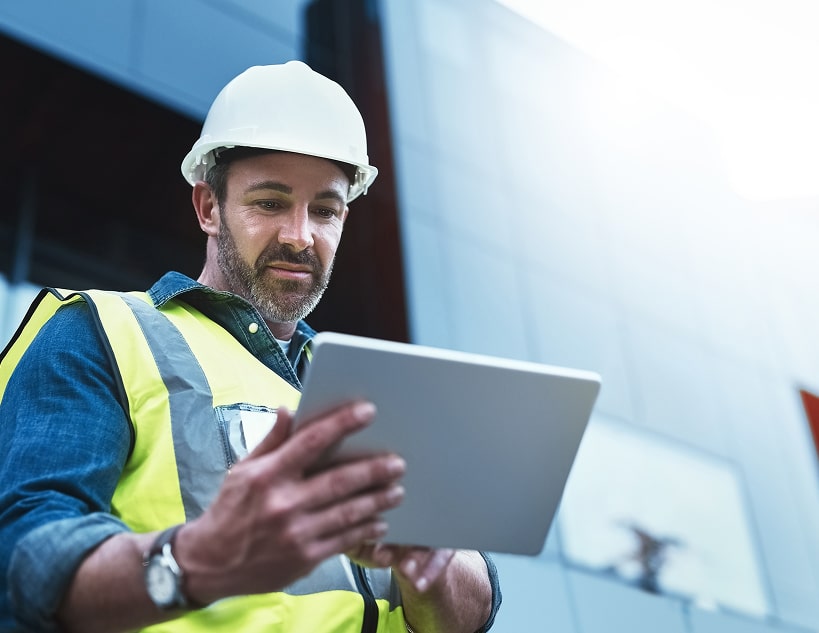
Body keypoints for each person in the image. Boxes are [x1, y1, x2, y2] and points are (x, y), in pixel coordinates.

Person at [0, 61, 501, 632]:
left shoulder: (378, 390)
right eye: (269, 203)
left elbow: (472, 610)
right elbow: (23, 568)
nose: (300, 235)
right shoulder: (101, 331)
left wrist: (427, 564)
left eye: (325, 211)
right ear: (209, 208)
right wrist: (199, 559)